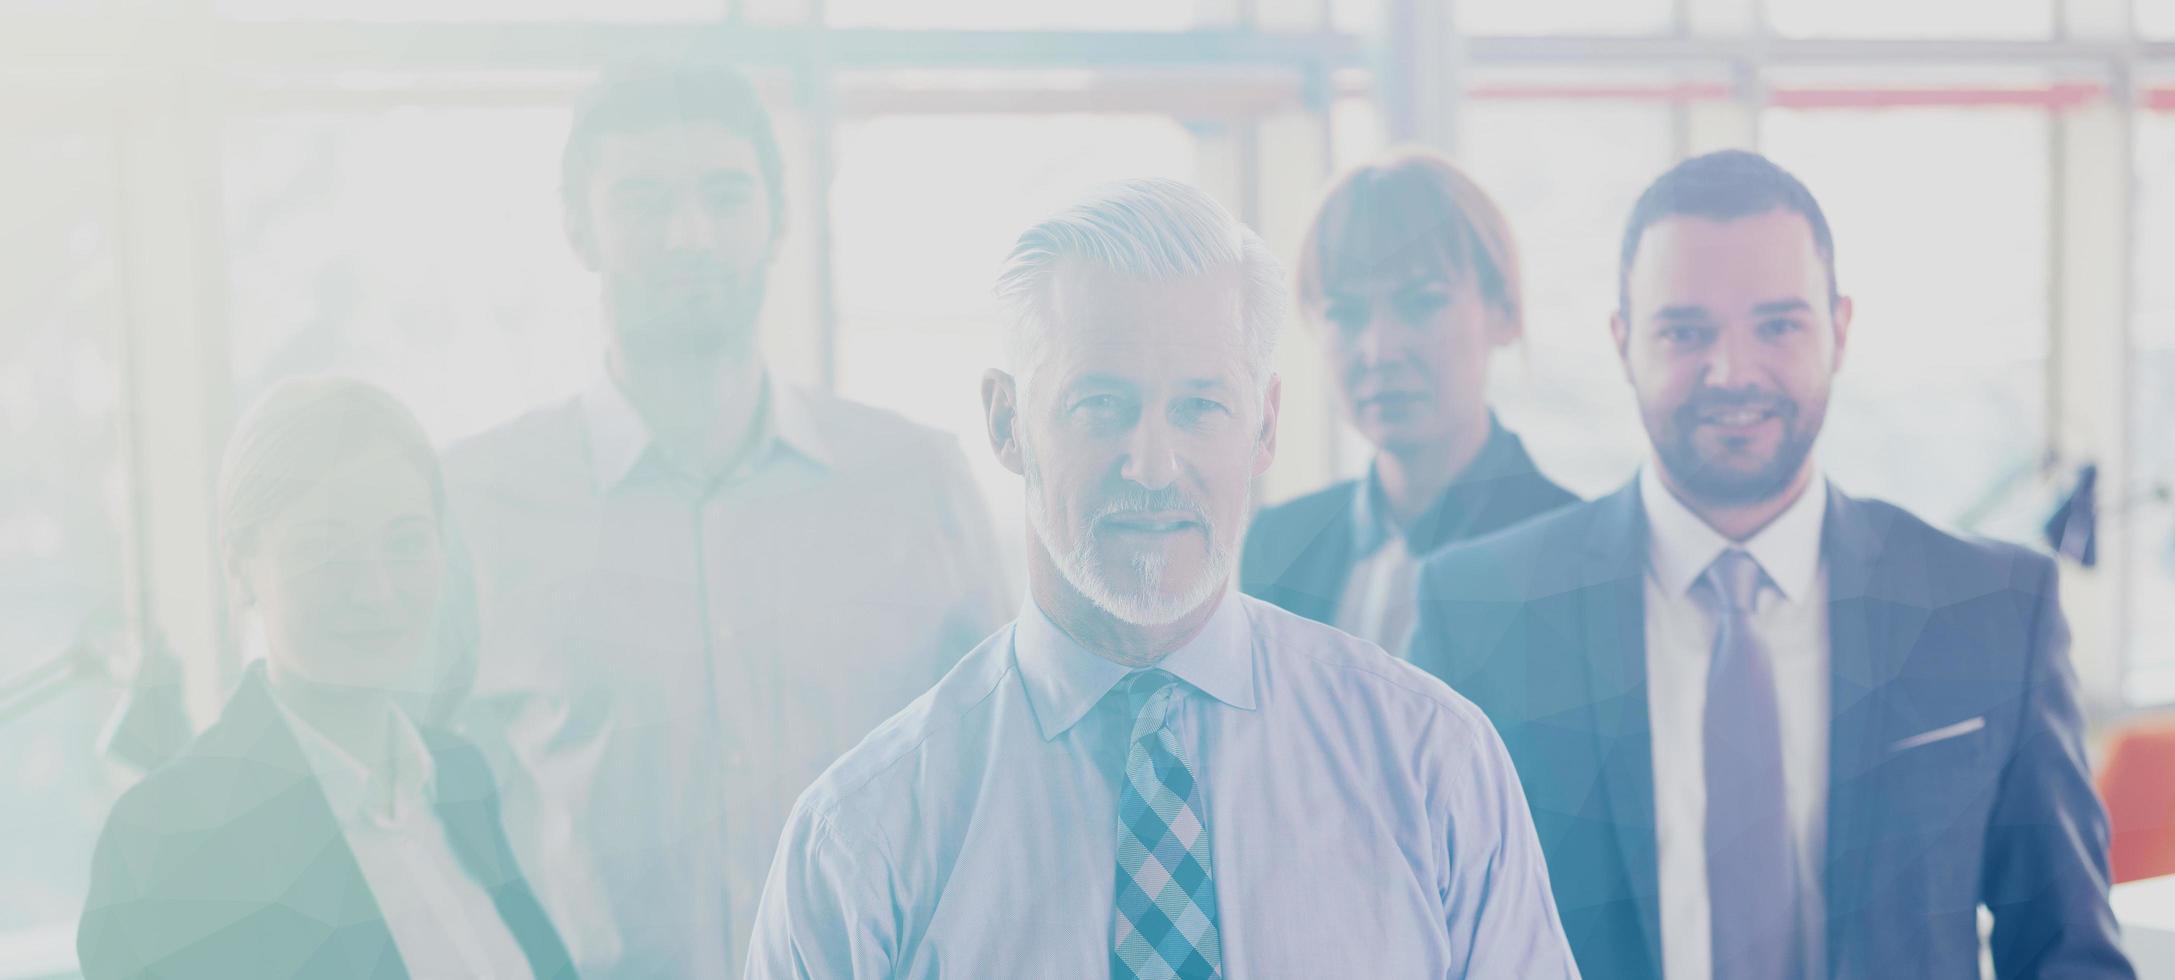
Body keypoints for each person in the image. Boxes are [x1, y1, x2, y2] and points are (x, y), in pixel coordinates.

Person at [743, 178, 1578, 979]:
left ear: (1265, 426)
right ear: (1007, 423)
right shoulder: (862, 840)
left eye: (1198, 407)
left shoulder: (1435, 766)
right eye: (1099, 405)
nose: (1151, 466)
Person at [1409, 150, 2133, 980]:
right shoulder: (1482, 613)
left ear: (1841, 330)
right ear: (1622, 341)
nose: (1733, 372)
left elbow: (2068, 954)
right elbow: (1417, 940)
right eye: (1686, 332)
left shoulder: (1991, 609)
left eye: (1778, 326)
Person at [441, 65, 1010, 979]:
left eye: (725, 195)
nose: (690, 236)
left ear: (777, 221)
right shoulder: (475, 505)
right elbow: (431, 828)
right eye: (643, 200)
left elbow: (1005, 786)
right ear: (579, 228)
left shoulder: (917, 483)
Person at [79, 378, 575, 980]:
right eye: (325, 550)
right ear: (240, 568)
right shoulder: (168, 844)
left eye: (405, 543)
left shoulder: (460, 778)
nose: (375, 590)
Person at [1240, 150, 1576, 655]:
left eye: (1422, 302)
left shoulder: (1576, 558)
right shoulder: (1278, 544)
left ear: (1503, 312)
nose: (1380, 350)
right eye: (1345, 313)